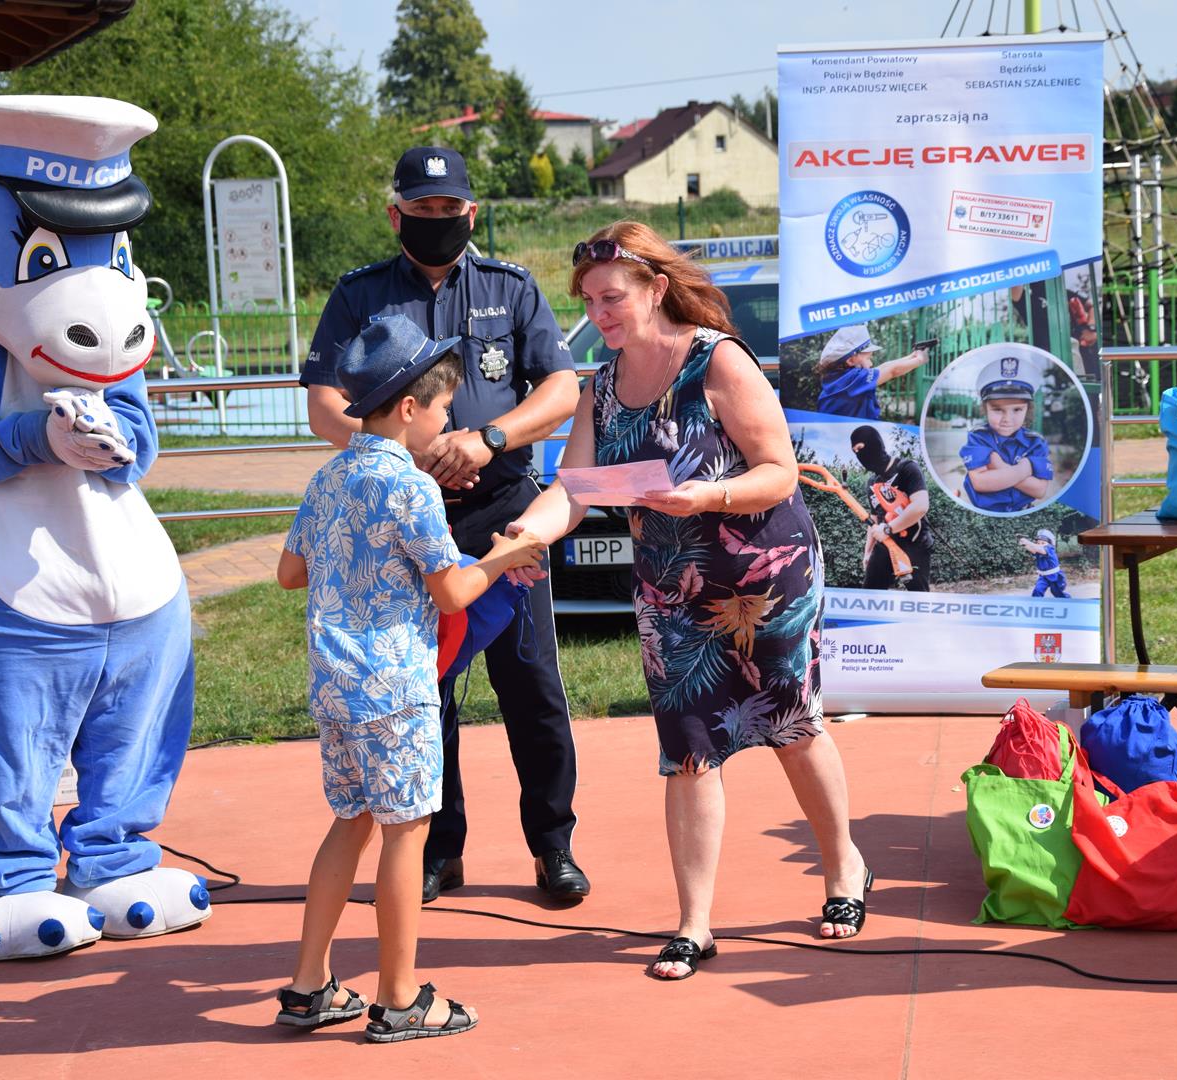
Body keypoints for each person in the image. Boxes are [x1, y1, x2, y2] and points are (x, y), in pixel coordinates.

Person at [507, 221, 872, 981]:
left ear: (655, 290)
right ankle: (696, 923)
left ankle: (844, 868)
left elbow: (780, 471)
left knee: (791, 724)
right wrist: (525, 535)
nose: (599, 314)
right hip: (672, 589)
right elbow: (572, 492)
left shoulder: (719, 361)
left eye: (612, 298)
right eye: (589, 301)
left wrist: (712, 494)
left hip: (765, 573)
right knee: (688, 751)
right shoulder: (599, 388)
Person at [300, 146, 589, 905]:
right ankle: (438, 851)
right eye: (421, 212)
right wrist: (407, 456)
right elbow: (324, 401)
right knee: (428, 693)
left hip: (504, 513)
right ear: (396, 214)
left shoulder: (510, 288)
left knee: (532, 686)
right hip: (406, 515)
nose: (437, 223)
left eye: (449, 211)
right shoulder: (359, 295)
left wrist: (489, 439)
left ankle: (552, 845)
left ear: (471, 212)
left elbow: (562, 387)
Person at [275, 316, 547, 1040]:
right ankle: (398, 999)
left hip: (333, 684)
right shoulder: (412, 487)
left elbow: (289, 572)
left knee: (352, 820)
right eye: (444, 409)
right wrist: (501, 560)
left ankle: (309, 986)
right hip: (394, 686)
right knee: (406, 832)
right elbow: (453, 592)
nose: (446, 423)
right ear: (408, 408)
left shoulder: (328, 476)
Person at [961, 356, 1053, 513]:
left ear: (1027, 409)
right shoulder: (978, 438)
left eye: (1017, 410)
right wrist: (1027, 467)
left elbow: (1039, 490)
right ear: (985, 408)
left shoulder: (1036, 442)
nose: (1007, 419)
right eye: (997, 409)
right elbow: (980, 483)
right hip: (984, 513)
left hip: (1024, 512)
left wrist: (999, 466)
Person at [849, 425, 932, 591]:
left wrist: (888, 528)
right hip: (885, 544)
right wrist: (868, 552)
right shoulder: (872, 483)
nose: (860, 455)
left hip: (914, 543)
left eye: (861, 448)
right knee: (871, 594)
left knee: (918, 595)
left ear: (875, 443)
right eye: (854, 451)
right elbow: (873, 521)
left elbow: (921, 506)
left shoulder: (907, 468)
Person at [815, 324, 930, 419]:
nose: (871, 364)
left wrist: (912, 356)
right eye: (868, 358)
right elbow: (892, 371)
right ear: (850, 360)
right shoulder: (853, 379)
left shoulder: (841, 378)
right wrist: (920, 360)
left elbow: (884, 367)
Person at [1020, 528, 1070, 598]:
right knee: (1037, 590)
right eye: (1038, 543)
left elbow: (1039, 549)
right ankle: (1036, 604)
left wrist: (1028, 542)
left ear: (1050, 544)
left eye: (1043, 543)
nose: (1040, 545)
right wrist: (1024, 544)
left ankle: (1068, 603)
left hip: (1055, 576)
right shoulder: (1039, 550)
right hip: (1044, 577)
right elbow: (1033, 550)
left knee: (1058, 593)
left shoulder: (1049, 549)